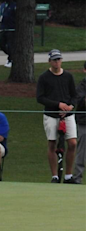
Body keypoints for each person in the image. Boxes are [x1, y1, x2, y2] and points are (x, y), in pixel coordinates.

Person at [36, 49, 78, 183]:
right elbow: (40, 98)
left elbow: (74, 96)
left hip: (68, 115)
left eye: (59, 59)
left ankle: (68, 175)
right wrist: (58, 104)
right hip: (51, 115)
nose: (57, 62)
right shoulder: (44, 77)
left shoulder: (68, 76)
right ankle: (54, 175)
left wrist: (70, 106)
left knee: (72, 143)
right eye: (54, 60)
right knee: (52, 144)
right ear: (50, 61)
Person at [72, 62, 86, 184]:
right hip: (84, 122)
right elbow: (82, 102)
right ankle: (77, 178)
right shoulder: (81, 86)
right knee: (81, 152)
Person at [0, 0, 16, 68]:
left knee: (10, 45)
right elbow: (0, 16)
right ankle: (12, 55)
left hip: (11, 28)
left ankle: (10, 59)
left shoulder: (14, 5)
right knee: (1, 44)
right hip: (3, 27)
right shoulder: (2, 6)